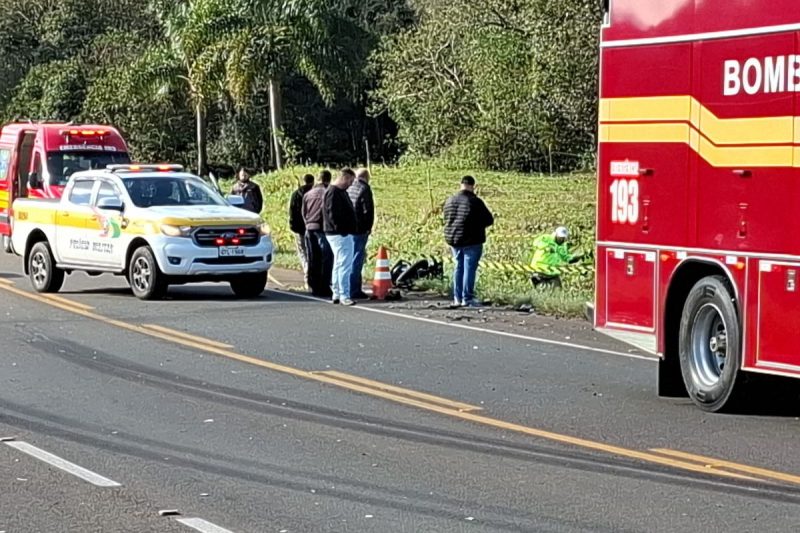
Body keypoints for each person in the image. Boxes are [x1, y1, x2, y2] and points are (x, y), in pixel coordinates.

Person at [443, 176, 494, 308]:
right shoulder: (475, 201)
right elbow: (489, 220)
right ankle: (467, 298)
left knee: (458, 267)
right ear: (472, 186)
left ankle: (457, 298)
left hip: (454, 239)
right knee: (469, 269)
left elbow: (447, 219)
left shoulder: (450, 200)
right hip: (472, 240)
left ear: (461, 185)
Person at [324, 168, 358, 306]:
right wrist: (343, 230)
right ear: (344, 177)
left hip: (337, 233)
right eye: (350, 181)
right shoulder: (334, 193)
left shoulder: (338, 192)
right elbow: (333, 214)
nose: (350, 184)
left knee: (338, 264)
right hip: (339, 234)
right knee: (345, 264)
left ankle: (337, 293)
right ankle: (344, 294)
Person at [302, 170, 333, 297]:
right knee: (326, 258)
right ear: (328, 180)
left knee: (312, 258)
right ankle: (324, 287)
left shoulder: (308, 194)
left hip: (309, 228)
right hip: (322, 229)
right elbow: (328, 212)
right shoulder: (327, 193)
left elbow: (303, 212)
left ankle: (313, 285)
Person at [347, 167, 375, 299]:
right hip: (360, 230)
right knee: (357, 259)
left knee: (348, 258)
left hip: (348, 229)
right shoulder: (365, 189)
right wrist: (368, 227)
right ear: (367, 178)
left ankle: (346, 287)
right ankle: (354, 289)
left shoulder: (350, 187)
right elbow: (367, 210)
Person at [289, 174, 315, 284]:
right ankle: (312, 272)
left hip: (299, 228)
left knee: (302, 251)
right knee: (312, 251)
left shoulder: (296, 194)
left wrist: (293, 225)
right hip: (312, 226)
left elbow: (292, 211)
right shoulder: (315, 193)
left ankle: (306, 270)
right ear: (312, 182)